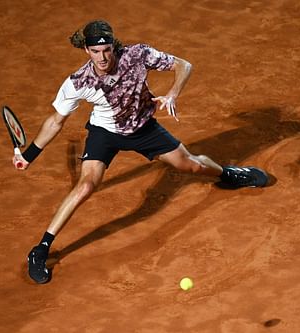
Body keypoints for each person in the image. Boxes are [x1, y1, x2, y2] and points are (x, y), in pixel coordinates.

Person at [13, 20, 268, 284]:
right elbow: (56, 121)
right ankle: (41, 249)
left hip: (144, 128)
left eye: (107, 50)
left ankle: (228, 174)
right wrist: (28, 155)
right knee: (86, 185)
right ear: (86, 50)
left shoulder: (137, 55)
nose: (102, 57)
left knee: (190, 165)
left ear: (114, 46)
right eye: (95, 51)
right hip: (105, 133)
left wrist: (172, 93)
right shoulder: (78, 82)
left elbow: (184, 65)